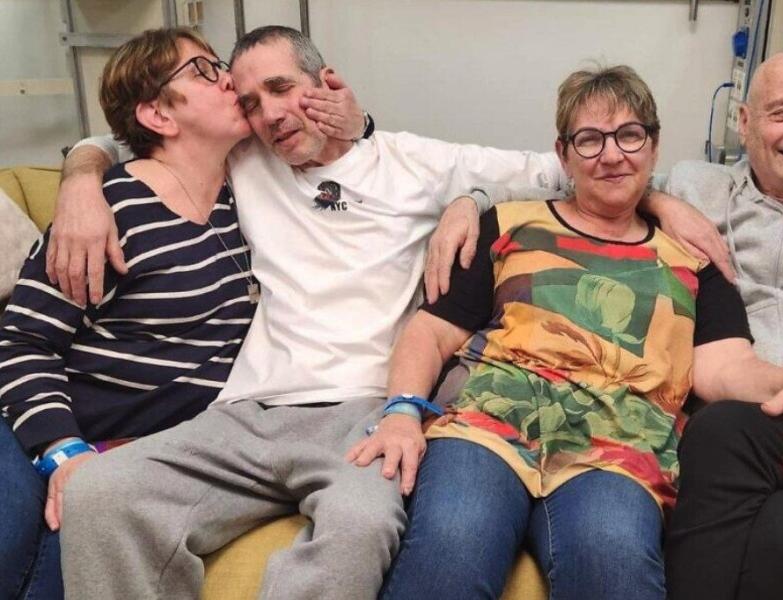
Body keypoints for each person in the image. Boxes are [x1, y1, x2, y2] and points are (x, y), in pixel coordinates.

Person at [48, 25, 591, 600]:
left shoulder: (414, 162)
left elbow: (571, 172)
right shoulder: (245, 157)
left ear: (326, 82)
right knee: (100, 493)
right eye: (251, 101)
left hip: (362, 414)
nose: (271, 114)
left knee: (362, 523)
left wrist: (472, 201)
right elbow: (123, 135)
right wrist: (81, 180)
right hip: (245, 411)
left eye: (283, 88)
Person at [457, 48, 783, 599]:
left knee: (717, 432)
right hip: (755, 424)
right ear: (743, 123)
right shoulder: (701, 188)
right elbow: (594, 174)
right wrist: (472, 202)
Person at [342, 65, 783, 600]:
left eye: (629, 136)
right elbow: (431, 334)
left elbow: (725, 367)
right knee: (453, 543)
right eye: (590, 140)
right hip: (485, 432)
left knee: (613, 558)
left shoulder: (693, 260)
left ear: (653, 147)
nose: (611, 154)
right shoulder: (508, 224)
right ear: (563, 154)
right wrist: (401, 412)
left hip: (619, 449)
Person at [0, 27, 270, 600]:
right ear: (159, 116)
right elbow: (24, 342)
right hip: (43, 425)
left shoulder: (252, 195)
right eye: (202, 70)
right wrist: (62, 450)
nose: (228, 77)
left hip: (140, 451)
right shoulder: (111, 210)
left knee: (66, 564)